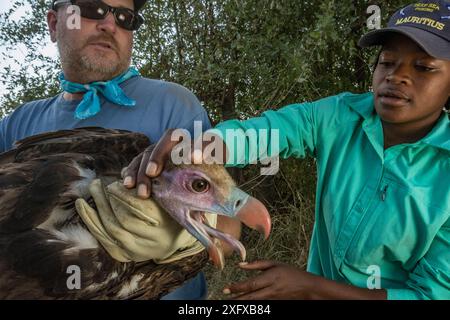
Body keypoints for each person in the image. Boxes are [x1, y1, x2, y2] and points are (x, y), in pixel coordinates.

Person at [123, 0, 450, 299]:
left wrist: (311, 289)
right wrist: (198, 149)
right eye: (387, 62)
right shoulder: (340, 115)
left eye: (423, 67)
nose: (397, 76)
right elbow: (265, 133)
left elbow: (430, 294)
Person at [0, 0, 240, 300]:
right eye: (91, 9)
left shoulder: (174, 105)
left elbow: (230, 221)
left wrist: (181, 241)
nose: (110, 25)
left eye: (126, 17)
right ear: (53, 23)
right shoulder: (18, 123)